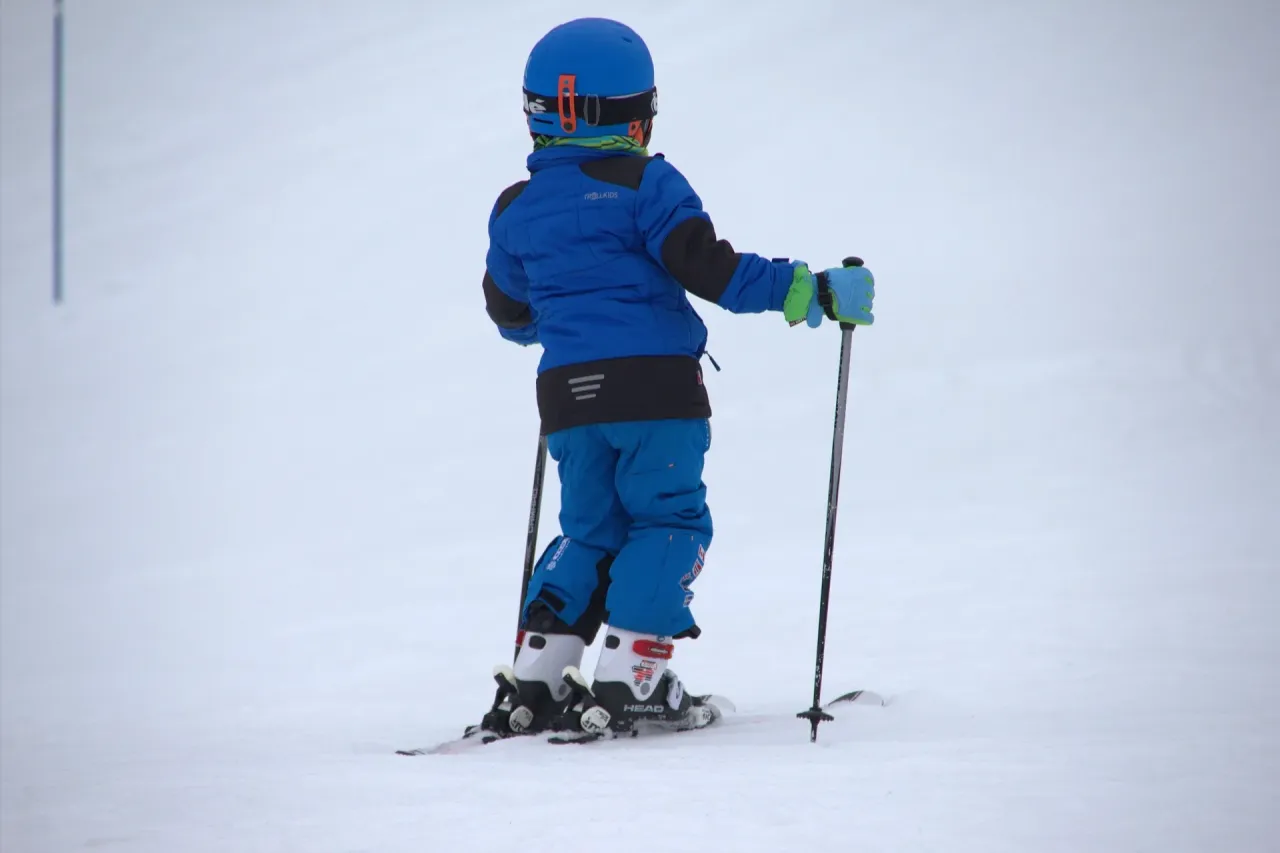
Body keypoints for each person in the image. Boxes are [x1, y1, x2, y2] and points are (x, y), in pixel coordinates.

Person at [477, 17, 875, 738]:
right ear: (634, 115)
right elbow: (708, 268)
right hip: (655, 390)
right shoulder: (646, 182)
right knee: (667, 521)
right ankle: (634, 677)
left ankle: (534, 676)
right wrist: (809, 291)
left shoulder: (516, 207)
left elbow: (509, 313)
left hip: (567, 398)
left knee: (590, 529)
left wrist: (569, 320)